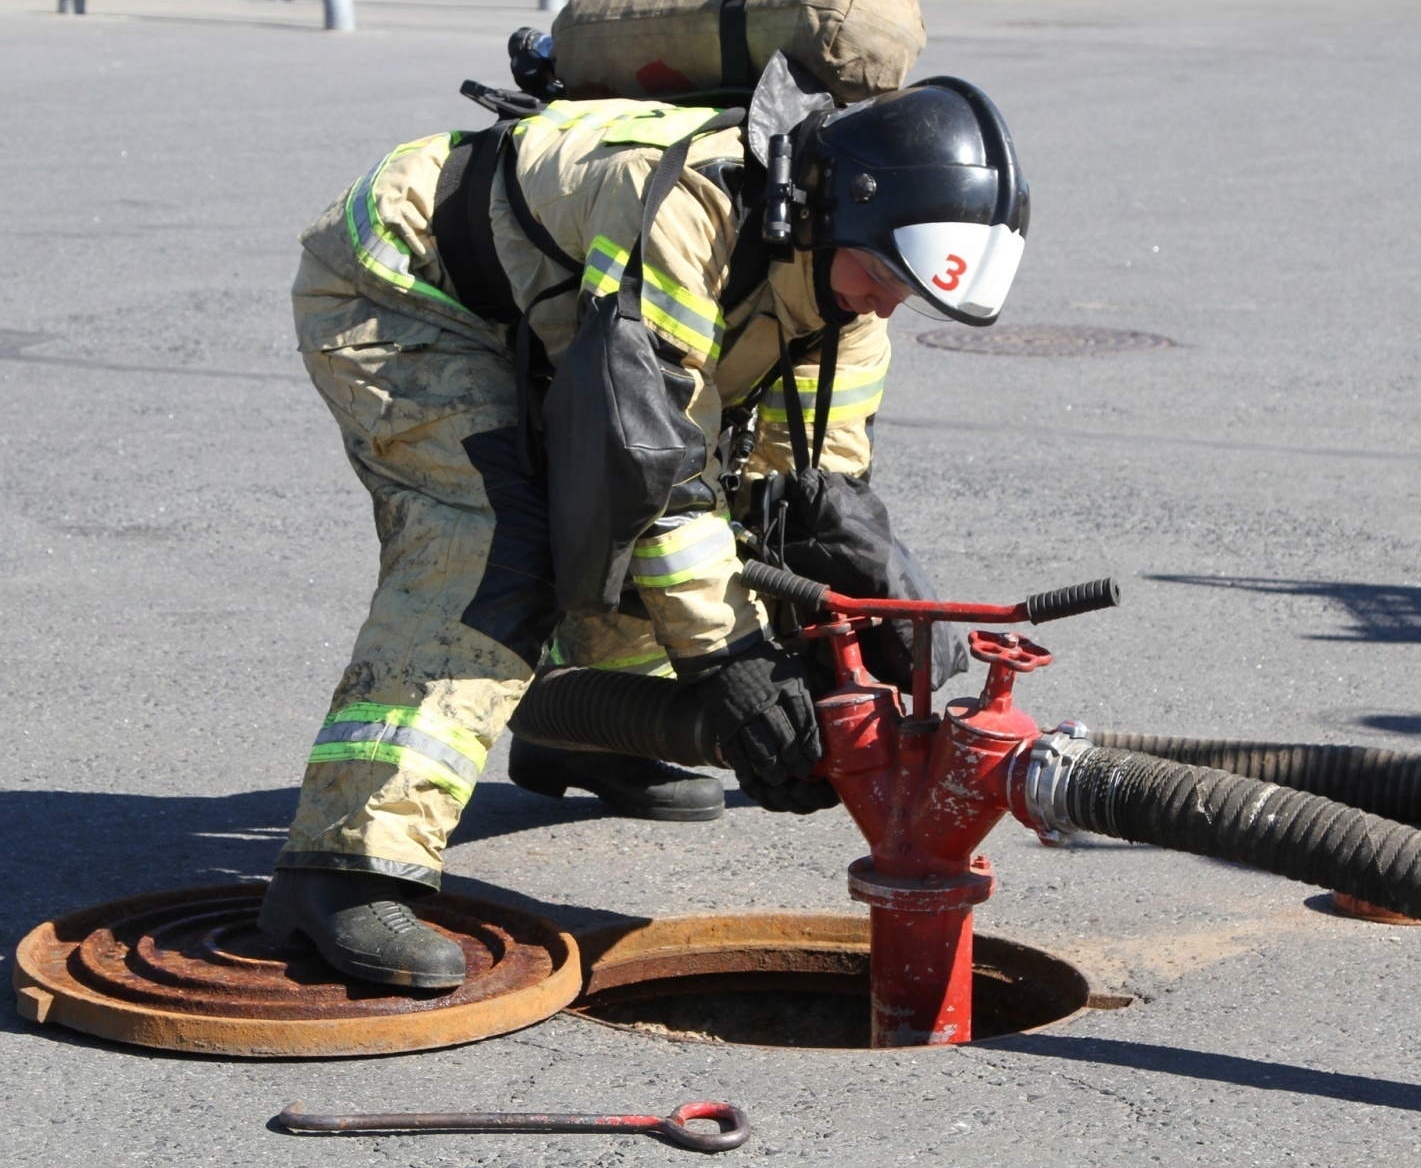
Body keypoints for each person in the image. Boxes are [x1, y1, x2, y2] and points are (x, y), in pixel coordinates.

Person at [256, 75, 1030, 988]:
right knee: (492, 540)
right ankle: (342, 869)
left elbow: (805, 497)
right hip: (404, 287)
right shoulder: (688, 210)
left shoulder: (849, 294)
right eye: (888, 278)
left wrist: (854, 642)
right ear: (834, 213)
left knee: (677, 499)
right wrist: (736, 670)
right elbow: (649, 467)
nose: (890, 305)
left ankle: (591, 728)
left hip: (554, 321)